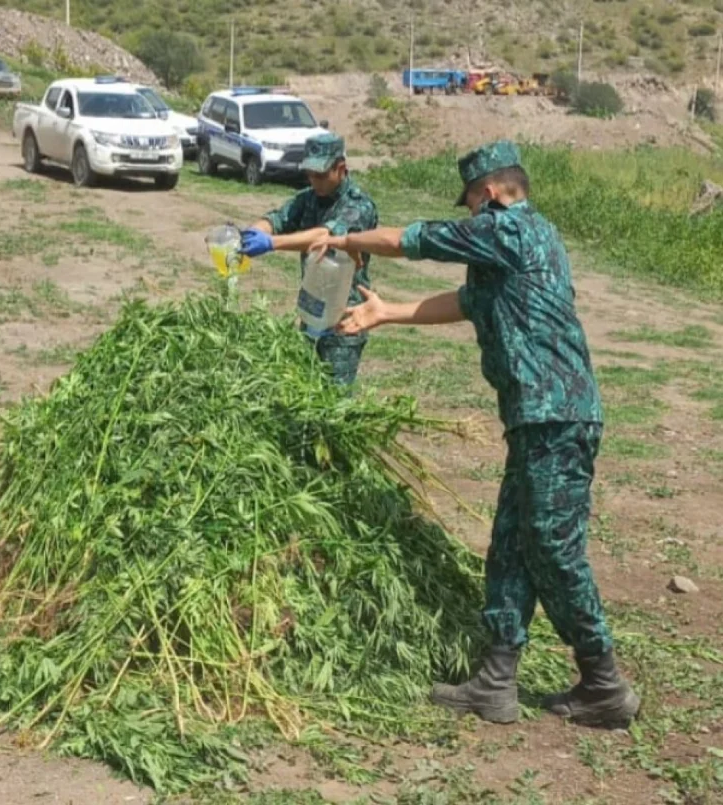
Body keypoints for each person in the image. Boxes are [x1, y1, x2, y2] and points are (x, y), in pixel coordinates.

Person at [310, 140, 641, 729]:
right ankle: (497, 679)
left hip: (557, 415)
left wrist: (342, 239)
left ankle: (603, 680)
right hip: (536, 418)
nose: (467, 214)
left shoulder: (508, 232)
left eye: (469, 204)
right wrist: (389, 312)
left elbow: (411, 240)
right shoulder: (521, 245)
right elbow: (467, 301)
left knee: (552, 546)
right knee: (512, 543)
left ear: (488, 194)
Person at [238, 133, 378, 386]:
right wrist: (254, 233)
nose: (315, 181)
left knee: (334, 401)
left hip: (344, 319)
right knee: (303, 390)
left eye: (321, 175)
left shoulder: (359, 205)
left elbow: (325, 235)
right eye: (310, 174)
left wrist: (271, 244)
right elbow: (276, 218)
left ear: (341, 168)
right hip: (312, 312)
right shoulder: (307, 197)